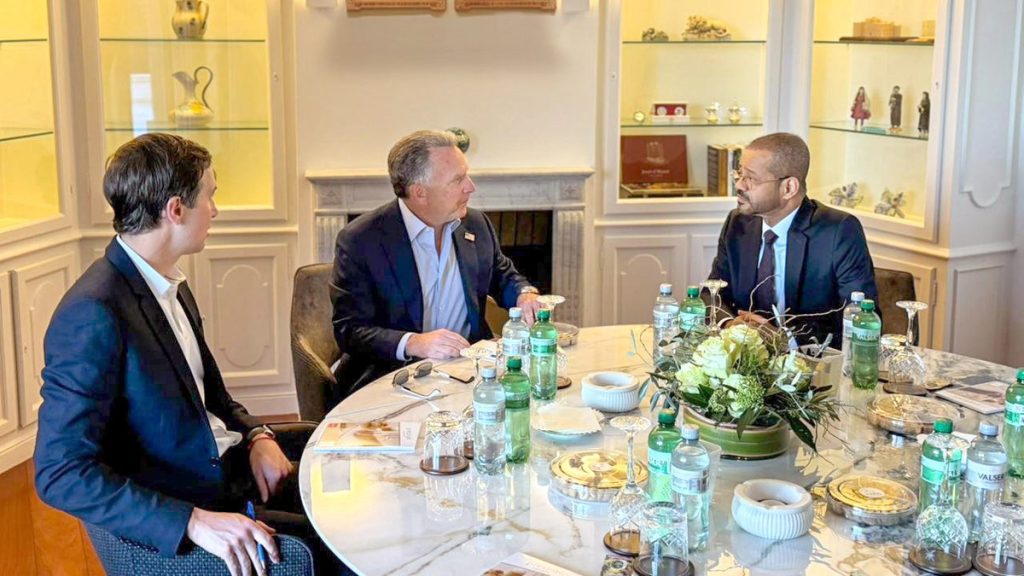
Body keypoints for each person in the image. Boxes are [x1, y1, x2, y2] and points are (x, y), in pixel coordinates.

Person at [34, 134, 340, 576]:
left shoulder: (169, 283)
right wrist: (193, 523)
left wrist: (257, 436)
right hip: (194, 504)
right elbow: (59, 472)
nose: (215, 210)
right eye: (210, 196)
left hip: (228, 471)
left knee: (355, 492)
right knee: (349, 551)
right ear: (176, 210)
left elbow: (213, 400)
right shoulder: (92, 313)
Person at [331, 130, 543, 399]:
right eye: (457, 180)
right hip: (394, 379)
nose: (470, 187)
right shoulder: (362, 240)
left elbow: (501, 274)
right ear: (419, 192)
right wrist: (415, 343)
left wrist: (524, 294)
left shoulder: (475, 224)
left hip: (471, 372)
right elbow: (350, 331)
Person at [708, 132, 879, 346]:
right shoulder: (738, 223)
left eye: (751, 178)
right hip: (745, 355)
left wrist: (785, 340)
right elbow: (712, 292)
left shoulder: (838, 231)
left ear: (788, 188)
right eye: (739, 174)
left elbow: (860, 319)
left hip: (810, 359)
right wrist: (729, 324)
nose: (740, 185)